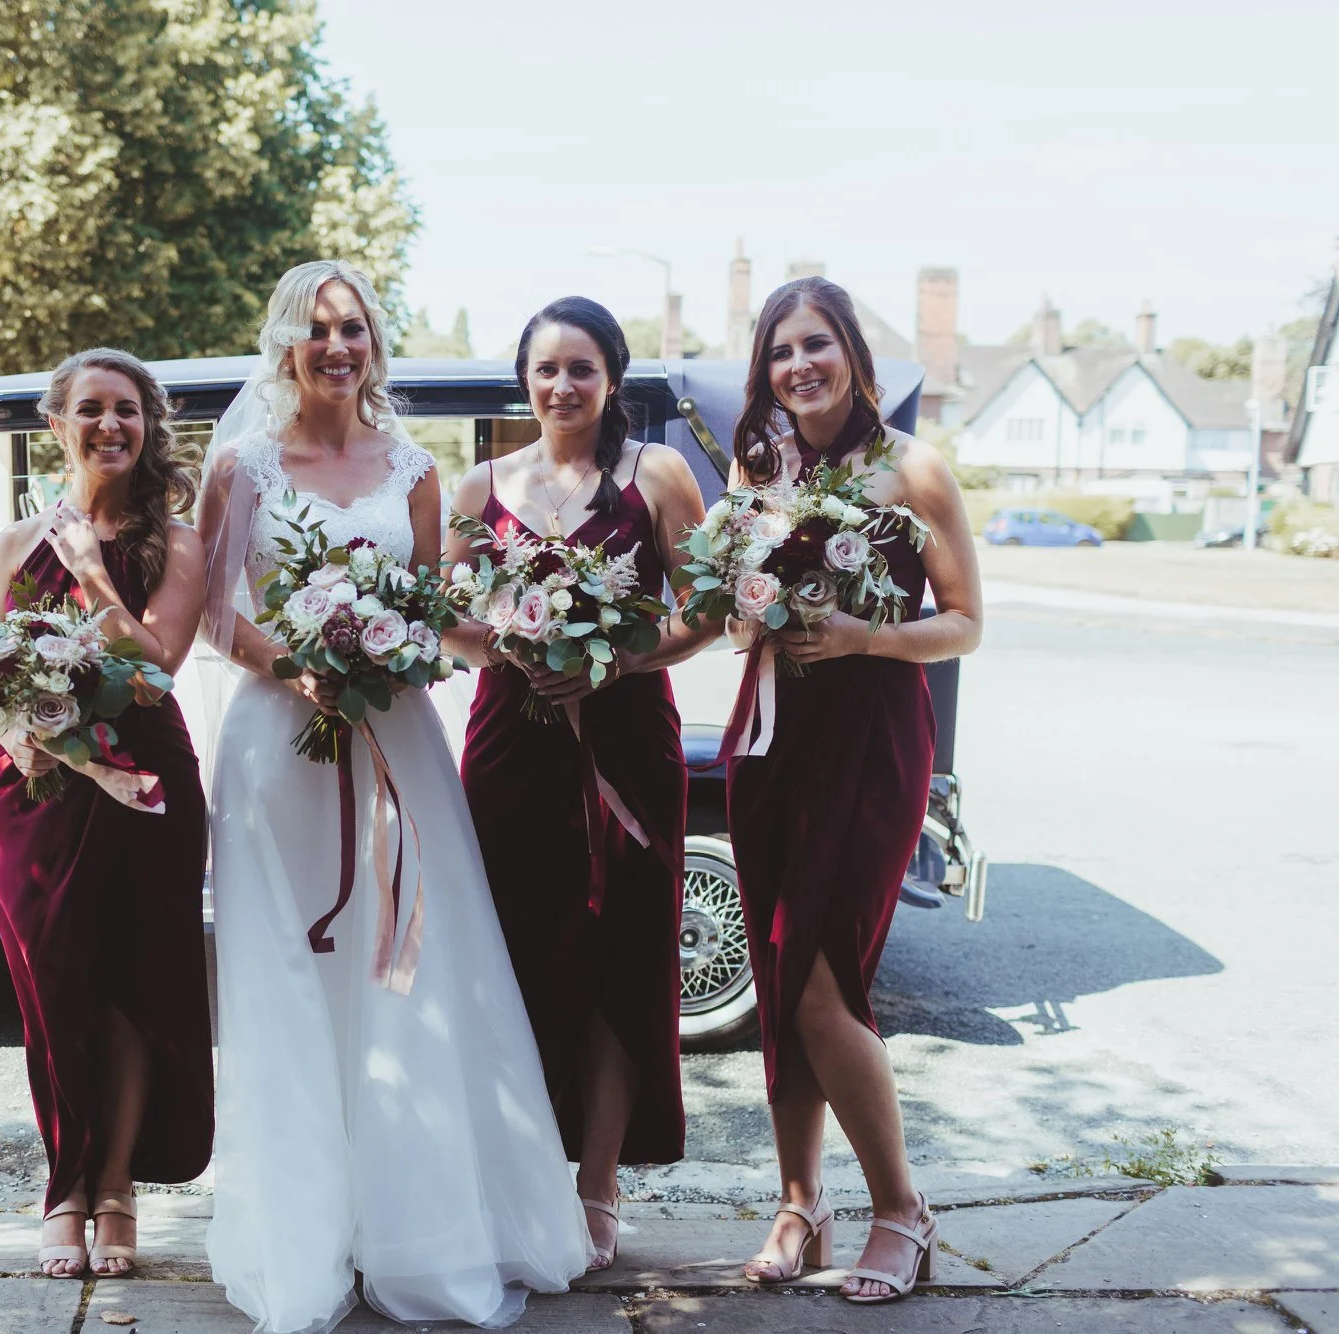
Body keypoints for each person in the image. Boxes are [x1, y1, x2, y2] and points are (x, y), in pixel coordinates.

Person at [199, 260, 589, 1333]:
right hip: (277, 749)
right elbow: (212, 615)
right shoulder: (239, 466)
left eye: (355, 328)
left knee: (406, 969)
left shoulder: (411, 467)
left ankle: (419, 1227)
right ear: (286, 340)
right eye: (318, 328)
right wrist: (296, 665)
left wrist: (516, 636)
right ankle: (303, 1230)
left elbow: (436, 610)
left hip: (394, 746)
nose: (338, 345)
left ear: (373, 343)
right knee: (292, 971)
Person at [709, 278, 983, 1303]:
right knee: (777, 974)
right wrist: (746, 586)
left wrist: (868, 634)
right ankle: (797, 1204)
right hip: (770, 730)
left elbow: (962, 622)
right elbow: (732, 619)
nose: (797, 367)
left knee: (822, 980)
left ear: (853, 355)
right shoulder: (758, 466)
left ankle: (901, 1210)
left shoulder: (914, 469)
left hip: (869, 736)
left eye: (813, 344)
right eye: (779, 352)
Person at [445, 297, 709, 1271]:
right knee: (511, 957)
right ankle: (513, 1179)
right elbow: (443, 619)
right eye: (545, 368)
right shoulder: (479, 485)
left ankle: (596, 1187)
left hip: (627, 741)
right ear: (524, 380)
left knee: (618, 955)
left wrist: (618, 659)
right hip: (511, 744)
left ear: (611, 377)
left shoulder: (659, 474)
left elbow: (711, 606)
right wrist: (510, 639)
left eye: (581, 368)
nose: (562, 386)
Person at [0, 348, 212, 1281]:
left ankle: (112, 1190)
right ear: (59, 425)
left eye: (127, 411)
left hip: (146, 786)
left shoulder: (174, 543)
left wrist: (93, 576)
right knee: (54, 991)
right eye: (91, 410)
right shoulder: (8, 545)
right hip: (30, 791)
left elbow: (154, 672)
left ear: (149, 425)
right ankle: (60, 1185)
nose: (110, 426)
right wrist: (24, 728)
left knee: (133, 987)